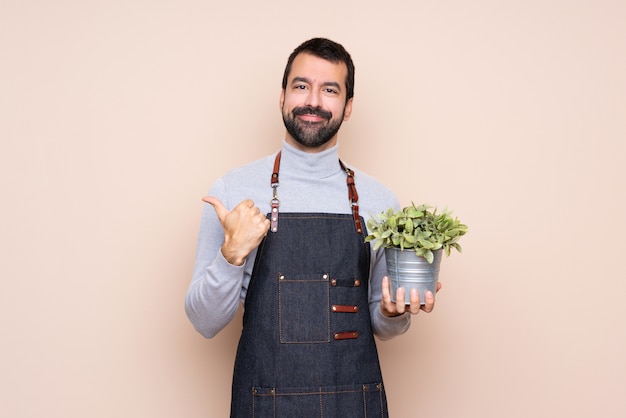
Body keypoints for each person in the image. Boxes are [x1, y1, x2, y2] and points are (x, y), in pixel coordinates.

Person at [185, 37, 440, 417]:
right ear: (283, 96)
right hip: (266, 403)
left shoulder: (379, 201)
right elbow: (203, 322)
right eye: (301, 86)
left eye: (330, 90)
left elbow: (383, 326)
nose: (313, 102)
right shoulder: (234, 192)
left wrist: (391, 312)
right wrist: (232, 254)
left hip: (355, 402)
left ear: (348, 106)